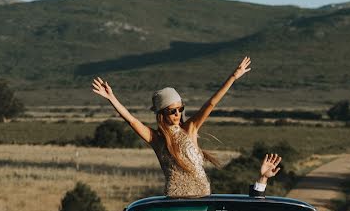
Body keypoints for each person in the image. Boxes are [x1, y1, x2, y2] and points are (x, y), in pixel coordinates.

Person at [91, 56, 251, 198]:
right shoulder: (156, 139)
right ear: (161, 114)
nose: (177, 114)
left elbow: (210, 104)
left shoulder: (190, 129)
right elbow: (132, 121)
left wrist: (233, 77)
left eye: (180, 109)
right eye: (172, 110)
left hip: (201, 198)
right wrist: (111, 98)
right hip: (175, 203)